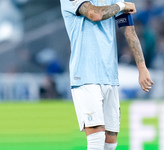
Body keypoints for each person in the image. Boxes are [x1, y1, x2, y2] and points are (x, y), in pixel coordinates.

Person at [60, 0, 154, 149]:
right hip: (85, 76)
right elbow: (94, 14)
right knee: (96, 138)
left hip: (110, 76)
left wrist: (142, 67)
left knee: (110, 143)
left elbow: (129, 31)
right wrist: (121, 6)